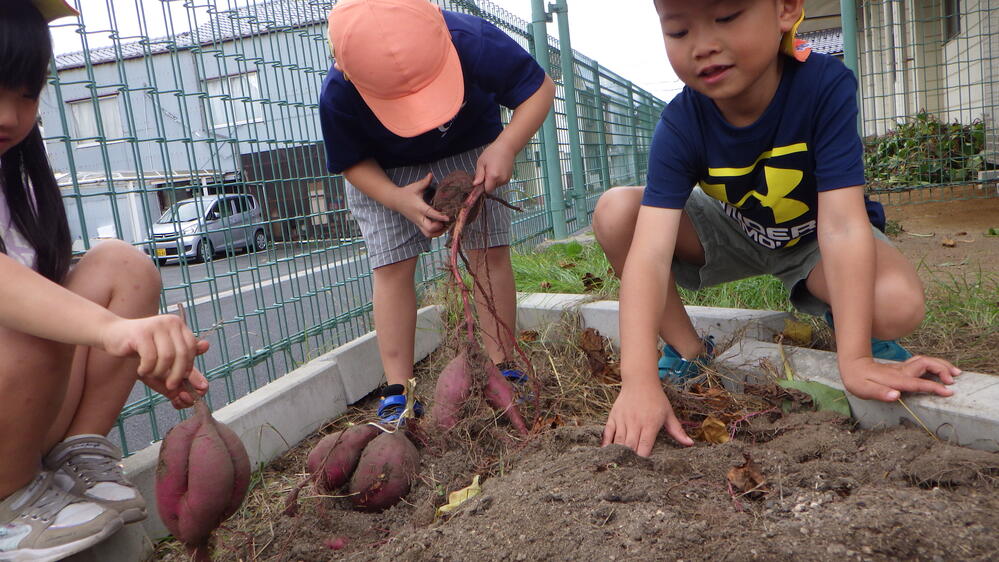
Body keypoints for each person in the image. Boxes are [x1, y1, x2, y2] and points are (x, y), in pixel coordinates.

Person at [593, 0, 961, 457]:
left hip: (814, 240)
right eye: (678, 31)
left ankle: (852, 323)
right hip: (732, 233)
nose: (703, 46)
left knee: (896, 305)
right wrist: (638, 380)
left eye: (726, 18)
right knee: (616, 212)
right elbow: (647, 253)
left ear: (785, 10)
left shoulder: (823, 85)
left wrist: (856, 360)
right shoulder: (681, 121)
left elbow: (844, 226)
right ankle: (688, 353)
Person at [0, 1, 210, 559]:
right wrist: (113, 332)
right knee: (39, 320)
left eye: (25, 93)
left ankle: (74, 459)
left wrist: (142, 343)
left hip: (20, 414)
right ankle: (9, 507)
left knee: (124, 265)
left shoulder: (15, 177)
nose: (8, 115)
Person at [320, 0, 554, 422]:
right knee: (391, 267)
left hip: (469, 149)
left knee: (488, 253)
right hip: (384, 172)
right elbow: (351, 163)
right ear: (347, 69)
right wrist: (395, 198)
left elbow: (539, 88)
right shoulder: (339, 90)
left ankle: (504, 367)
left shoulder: (470, 39)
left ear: (443, 40)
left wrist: (506, 146)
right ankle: (399, 390)